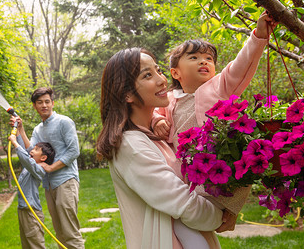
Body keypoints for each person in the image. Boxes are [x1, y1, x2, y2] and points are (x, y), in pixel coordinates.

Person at [152, 11, 277, 246]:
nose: (204, 62)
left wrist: (259, 35)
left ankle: (226, 213)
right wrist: (158, 121)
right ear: (176, 72)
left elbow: (242, 64)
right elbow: (153, 113)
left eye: (209, 59)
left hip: (219, 174)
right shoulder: (169, 99)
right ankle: (223, 218)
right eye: (194, 57)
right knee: (187, 224)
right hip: (190, 178)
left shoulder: (219, 86)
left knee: (183, 221)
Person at [97, 47, 236, 249]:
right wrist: (221, 216)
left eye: (158, 70)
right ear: (127, 94)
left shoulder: (156, 136)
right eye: (147, 75)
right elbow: (184, 204)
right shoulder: (131, 146)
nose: (162, 80)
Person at [10, 87, 85, 249]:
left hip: (66, 181)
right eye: (40, 102)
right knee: (59, 232)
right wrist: (21, 130)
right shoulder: (38, 129)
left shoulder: (64, 122)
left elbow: (74, 151)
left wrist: (50, 168)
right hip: (49, 186)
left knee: (70, 232)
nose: (44, 105)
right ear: (34, 106)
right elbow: (32, 152)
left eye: (47, 102)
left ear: (52, 103)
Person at [8, 136, 55, 249]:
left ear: (43, 157)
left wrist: (14, 143)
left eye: (36, 149)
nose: (32, 151)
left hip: (31, 212)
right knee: (27, 245)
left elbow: (25, 158)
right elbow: (25, 154)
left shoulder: (39, 170)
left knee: (36, 245)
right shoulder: (29, 166)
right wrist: (18, 134)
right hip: (23, 210)